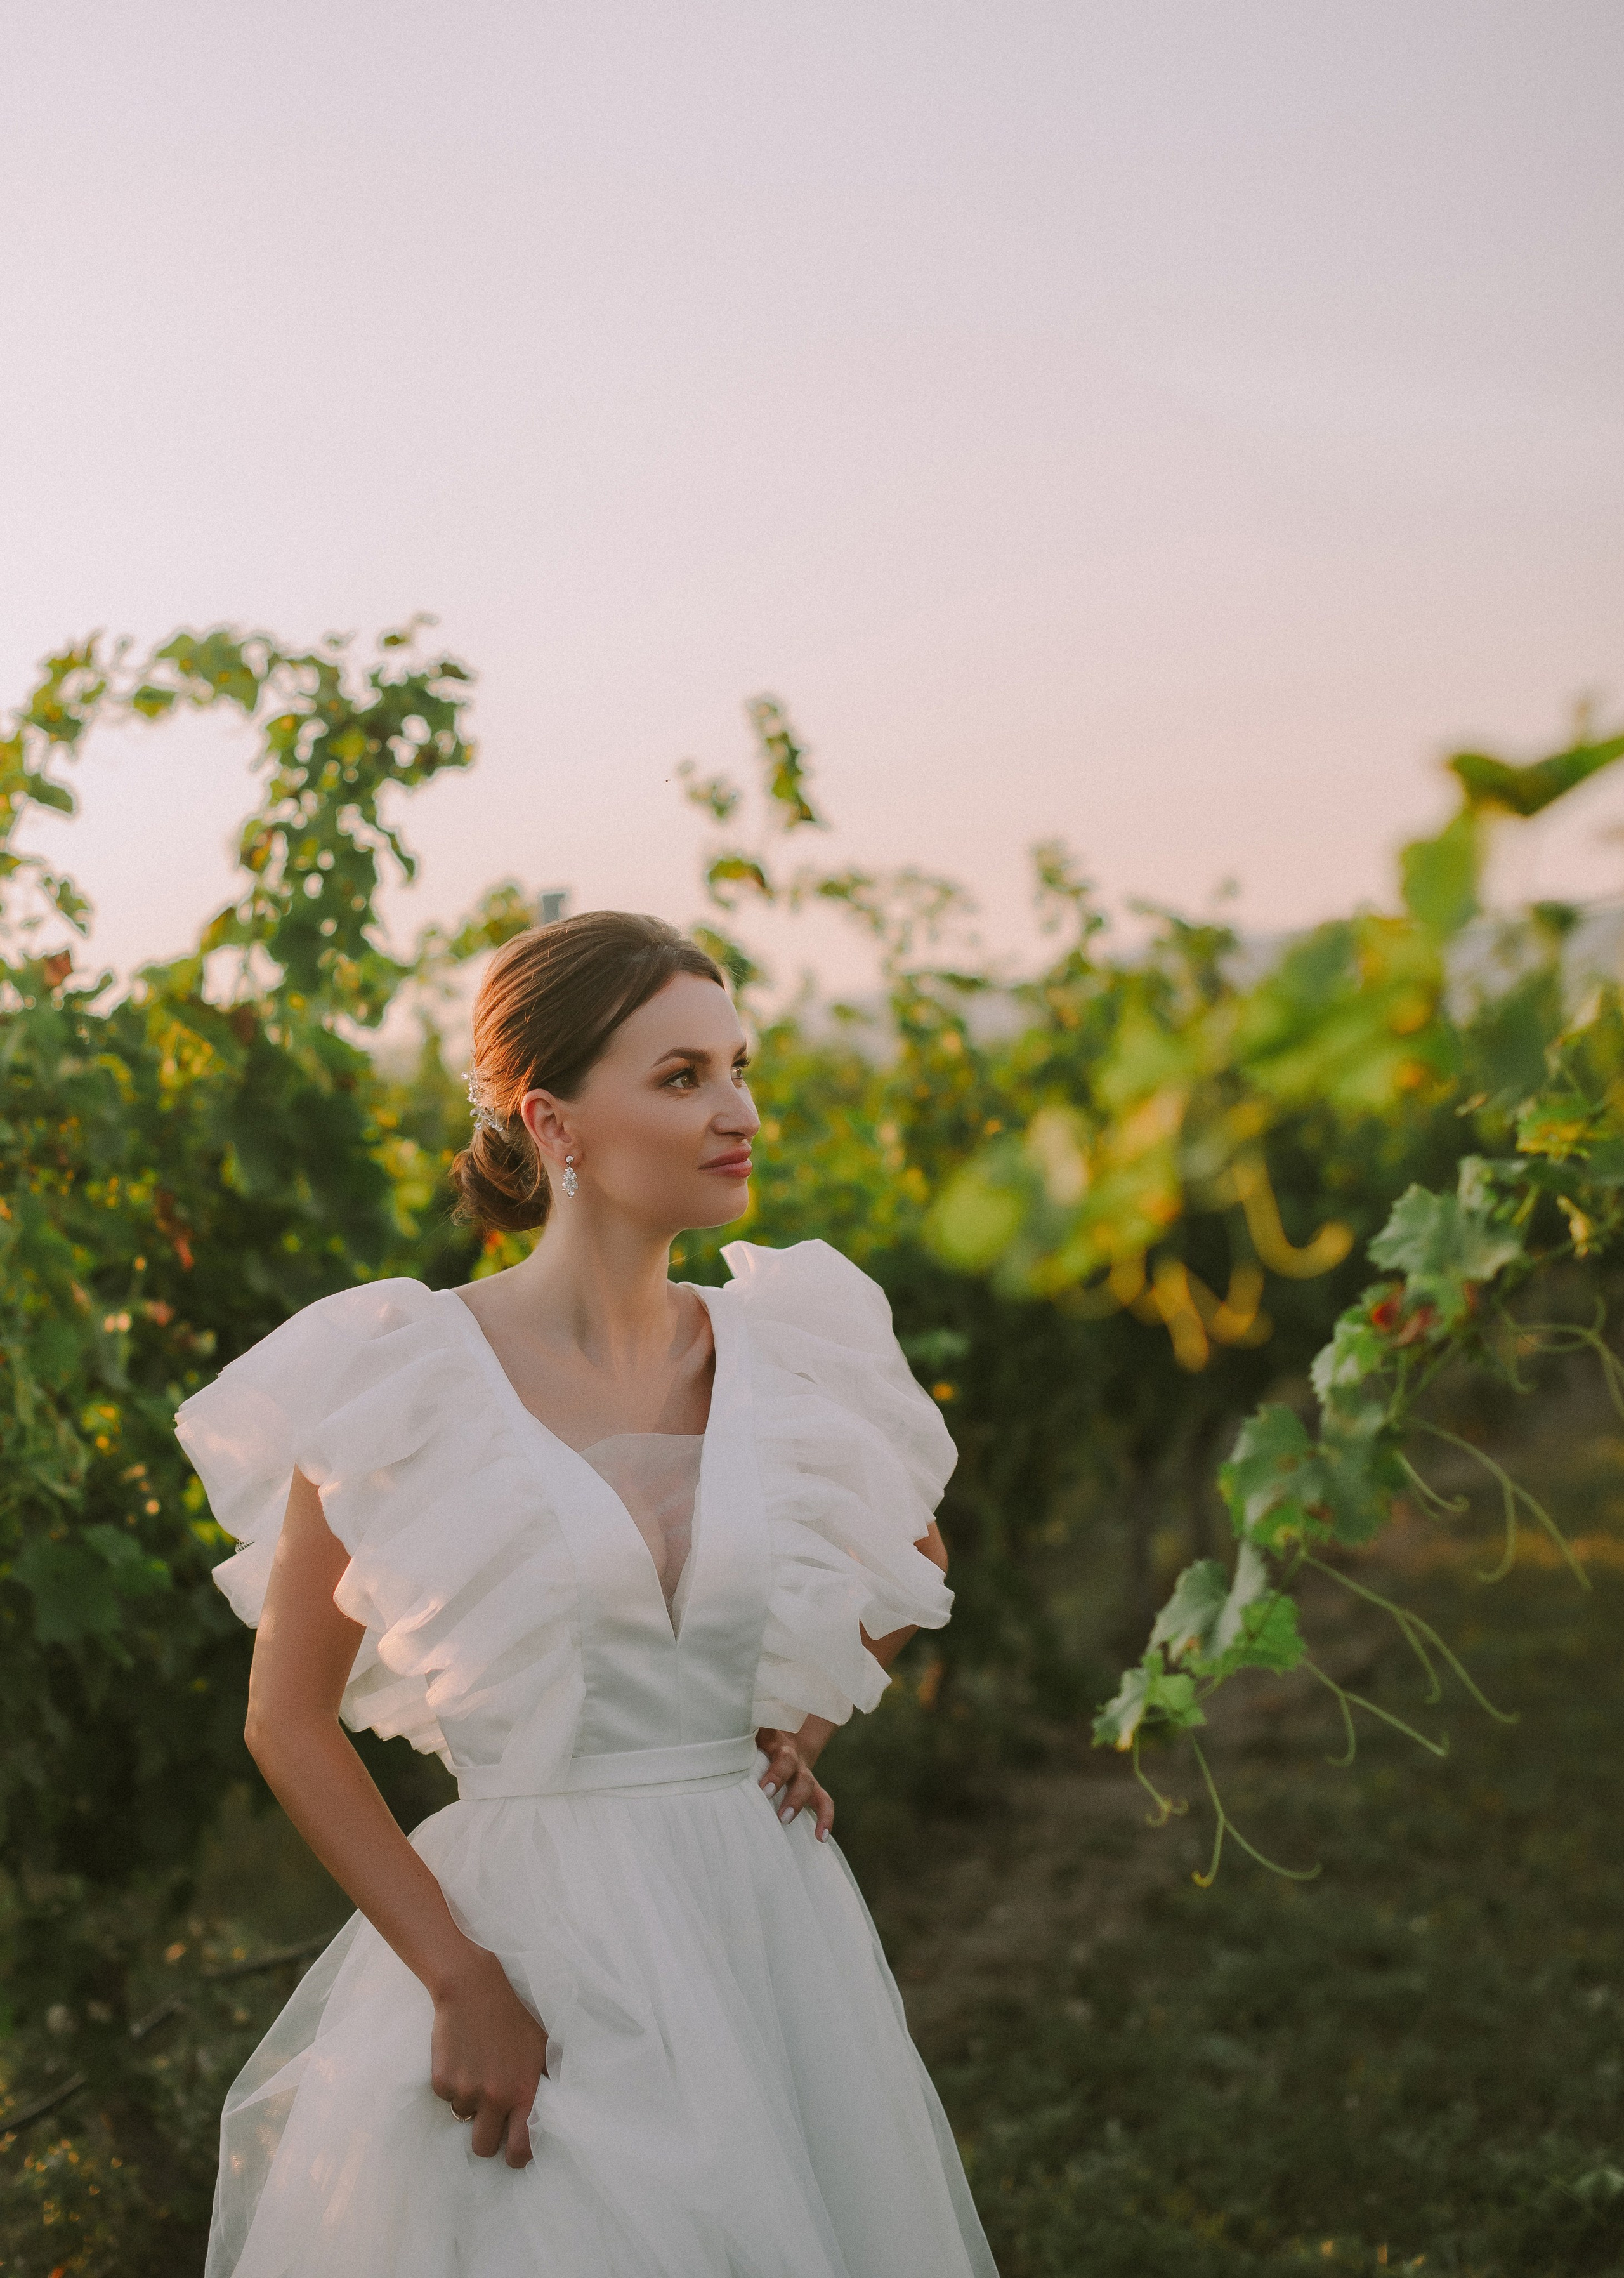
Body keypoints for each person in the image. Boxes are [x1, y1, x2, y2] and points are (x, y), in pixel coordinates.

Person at [175, 910, 998, 2278]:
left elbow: (910, 1560)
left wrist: (797, 1726)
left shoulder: (791, 1344)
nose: (735, 1110)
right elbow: (288, 1721)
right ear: (550, 1122)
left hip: (759, 1919)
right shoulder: (400, 1377)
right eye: (681, 1077)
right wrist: (458, 1974)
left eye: (737, 1067)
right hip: (530, 1938)